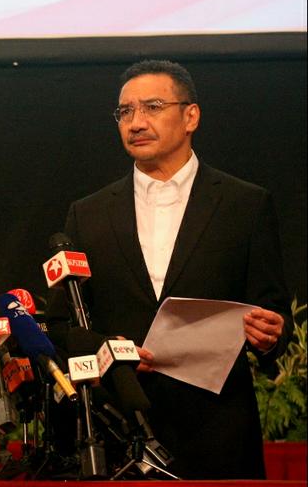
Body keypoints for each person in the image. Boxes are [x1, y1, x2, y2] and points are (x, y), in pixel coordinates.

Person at [46, 59, 292, 479]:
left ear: (190, 116)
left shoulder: (244, 205)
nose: (136, 122)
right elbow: (61, 322)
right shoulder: (87, 214)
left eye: (153, 107)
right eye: (125, 112)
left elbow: (273, 311)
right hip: (117, 429)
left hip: (217, 431)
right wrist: (108, 348)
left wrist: (271, 335)